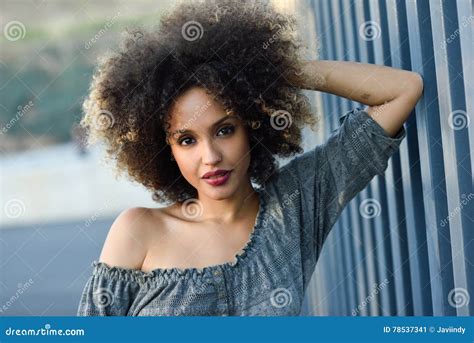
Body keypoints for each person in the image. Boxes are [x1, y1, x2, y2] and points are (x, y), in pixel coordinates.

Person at [76, 0, 423, 316]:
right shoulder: (137, 232)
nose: (210, 156)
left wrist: (270, 73)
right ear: (165, 148)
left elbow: (401, 90)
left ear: (252, 128)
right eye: (186, 140)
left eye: (225, 130)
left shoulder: (297, 206)